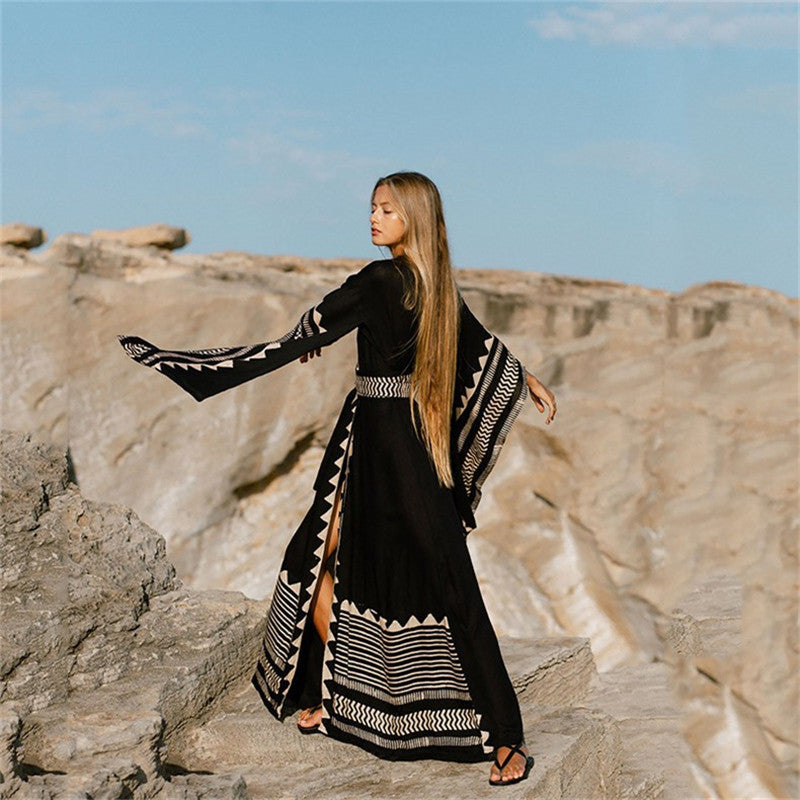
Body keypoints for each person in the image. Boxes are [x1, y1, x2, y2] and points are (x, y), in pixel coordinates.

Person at [119, 171, 557, 787]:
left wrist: (209, 365)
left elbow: (315, 325)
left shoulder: (386, 280)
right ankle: (340, 695)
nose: (373, 218)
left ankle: (504, 737)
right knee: (351, 563)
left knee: (382, 572)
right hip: (394, 445)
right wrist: (526, 379)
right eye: (372, 208)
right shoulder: (430, 285)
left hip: (388, 445)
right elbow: (483, 353)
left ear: (414, 218)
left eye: (386, 209)